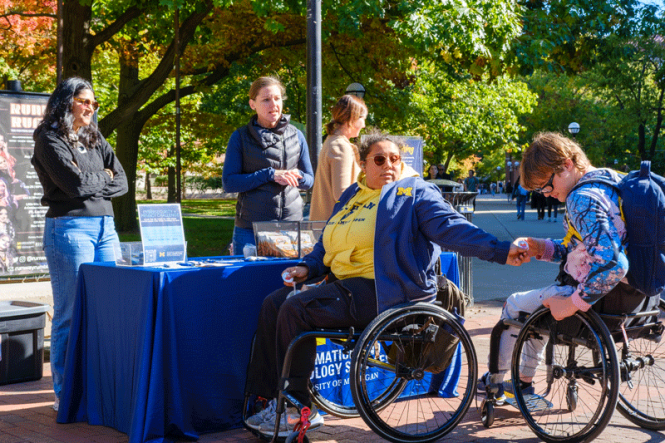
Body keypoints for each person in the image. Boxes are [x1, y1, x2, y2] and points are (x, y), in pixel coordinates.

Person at [244, 131, 528, 437]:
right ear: (363, 164)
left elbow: (453, 228)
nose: (389, 165)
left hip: (386, 290)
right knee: (274, 303)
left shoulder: (413, 193)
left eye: (395, 159)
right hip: (345, 286)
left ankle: (298, 408)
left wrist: (501, 250)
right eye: (379, 159)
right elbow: (327, 243)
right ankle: (268, 399)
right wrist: (307, 267)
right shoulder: (352, 195)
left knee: (296, 308)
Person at [480, 131, 660, 399]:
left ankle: (508, 383)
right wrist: (541, 248)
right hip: (635, 297)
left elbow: (613, 263)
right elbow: (588, 248)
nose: (547, 194)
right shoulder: (612, 180)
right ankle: (524, 379)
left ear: (566, 165)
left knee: (515, 306)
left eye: (546, 186)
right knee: (540, 304)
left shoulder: (581, 198)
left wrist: (574, 302)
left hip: (598, 299)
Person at [31, 76, 128, 412]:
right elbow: (73, 185)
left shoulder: (94, 136)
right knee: (70, 314)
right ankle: (65, 394)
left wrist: (97, 180)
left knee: (106, 310)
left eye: (94, 103)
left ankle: (98, 386)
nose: (91, 108)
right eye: (85, 101)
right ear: (66, 101)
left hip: (106, 227)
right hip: (70, 228)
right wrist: (104, 177)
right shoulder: (48, 138)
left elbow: (124, 181)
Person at [222, 76, 314, 253]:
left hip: (291, 227)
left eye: (277, 98)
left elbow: (310, 180)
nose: (274, 105)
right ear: (252, 104)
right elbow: (229, 183)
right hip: (250, 229)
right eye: (266, 100)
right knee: (248, 280)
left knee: (288, 280)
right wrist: (269, 174)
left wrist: (296, 176)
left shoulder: (297, 135)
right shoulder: (240, 137)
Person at [309, 95, 366, 221]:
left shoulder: (332, 141)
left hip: (326, 224)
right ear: (353, 117)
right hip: (335, 227)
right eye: (363, 119)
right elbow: (341, 193)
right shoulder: (340, 145)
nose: (364, 125)